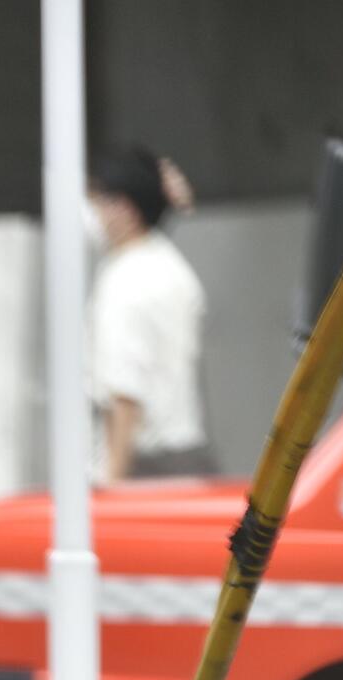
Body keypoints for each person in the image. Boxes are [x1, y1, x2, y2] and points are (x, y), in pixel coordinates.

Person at [85, 146, 215, 481]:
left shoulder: (125, 281)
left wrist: (113, 481)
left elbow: (125, 391)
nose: (91, 212)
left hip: (144, 467)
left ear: (125, 209)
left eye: (97, 200)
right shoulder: (171, 266)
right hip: (188, 456)